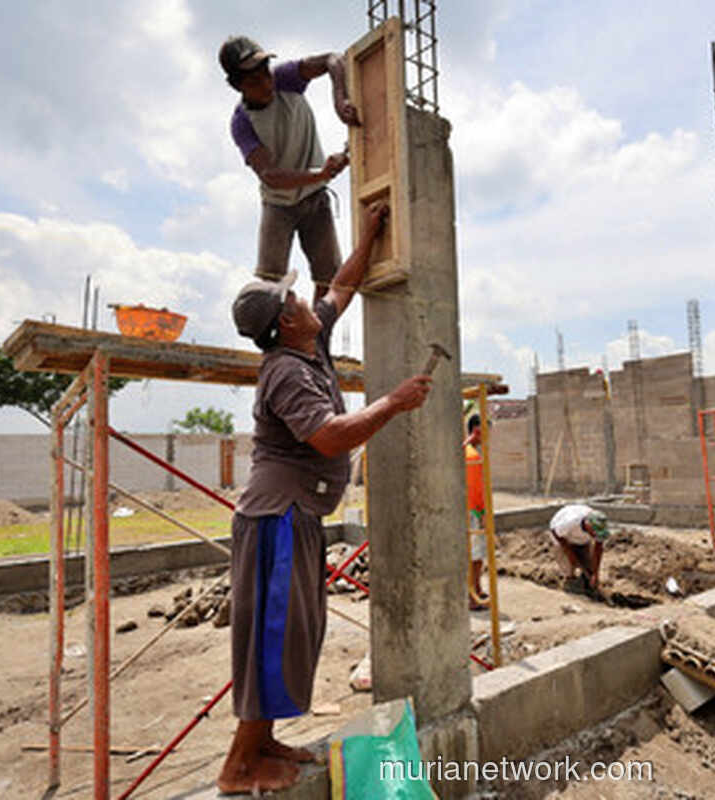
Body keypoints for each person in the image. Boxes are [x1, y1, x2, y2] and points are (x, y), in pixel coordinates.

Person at [218, 202, 432, 794]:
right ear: (287, 323)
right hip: (276, 522)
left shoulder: (309, 343)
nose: (308, 301)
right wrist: (393, 402)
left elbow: (341, 284)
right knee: (273, 633)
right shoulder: (285, 371)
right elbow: (329, 434)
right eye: (295, 301)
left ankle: (262, 743)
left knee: (291, 636)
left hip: (296, 517)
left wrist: (368, 234)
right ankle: (239, 765)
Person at [219, 35, 359, 301]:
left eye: (265, 73)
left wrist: (340, 99)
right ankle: (278, 333)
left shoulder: (286, 79)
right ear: (238, 87)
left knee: (329, 279)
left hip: (314, 198)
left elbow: (333, 59)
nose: (266, 84)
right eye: (253, 81)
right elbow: (270, 176)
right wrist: (321, 173)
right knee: (268, 285)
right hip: (278, 204)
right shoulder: (242, 122)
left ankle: (317, 337)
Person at [547, 504, 610, 598]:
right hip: (563, 538)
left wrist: (595, 574)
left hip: (581, 540)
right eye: (594, 533)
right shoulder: (570, 523)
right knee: (569, 568)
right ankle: (571, 587)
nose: (596, 535)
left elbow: (598, 549)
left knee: (589, 568)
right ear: (588, 525)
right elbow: (555, 532)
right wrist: (570, 554)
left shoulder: (599, 526)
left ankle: (589, 587)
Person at [463, 411, 488, 610]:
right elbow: (476, 489)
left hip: (469, 510)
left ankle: (477, 590)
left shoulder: (468, 451)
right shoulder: (472, 455)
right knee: (475, 556)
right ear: (477, 430)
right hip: (472, 511)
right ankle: (471, 596)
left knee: (476, 556)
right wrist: (482, 513)